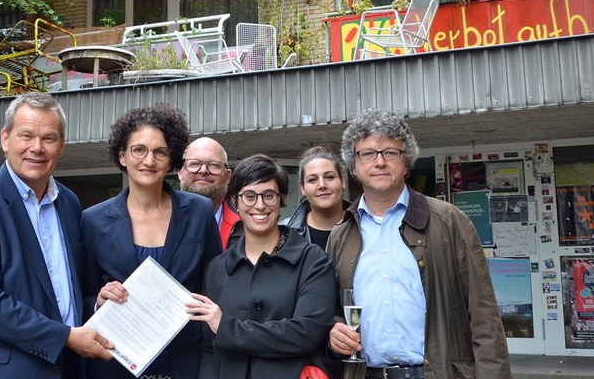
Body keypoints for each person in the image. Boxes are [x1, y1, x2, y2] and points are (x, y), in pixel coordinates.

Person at [327, 109, 511, 379]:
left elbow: (484, 315)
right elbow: (330, 310)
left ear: (407, 162)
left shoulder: (449, 221)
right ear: (353, 167)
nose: (379, 162)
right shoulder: (340, 235)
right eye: (367, 153)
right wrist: (333, 330)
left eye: (390, 152)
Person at [0, 92, 113, 378]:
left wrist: (97, 303)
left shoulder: (69, 203)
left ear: (62, 146)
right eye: (26, 136)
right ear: (5, 139)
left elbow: (66, 293)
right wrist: (64, 337)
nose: (37, 148)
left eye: (48, 138)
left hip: (68, 367)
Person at [83, 105, 222, 379]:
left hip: (186, 362)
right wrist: (98, 302)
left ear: (172, 161)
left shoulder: (199, 211)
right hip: (116, 363)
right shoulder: (92, 220)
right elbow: (83, 293)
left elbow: (215, 285)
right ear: (122, 155)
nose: (149, 161)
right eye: (139, 150)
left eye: (160, 152)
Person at [188, 154, 336, 379]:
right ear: (235, 201)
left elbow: (306, 333)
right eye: (249, 196)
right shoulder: (217, 269)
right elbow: (209, 350)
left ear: (281, 199)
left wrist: (227, 328)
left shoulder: (312, 261)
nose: (260, 205)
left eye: (269, 195)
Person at [282, 146, 351, 250]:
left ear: (343, 181)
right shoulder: (283, 233)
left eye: (329, 177)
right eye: (312, 180)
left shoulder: (364, 227)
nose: (322, 185)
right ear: (302, 188)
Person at [178, 137, 238, 248]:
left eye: (214, 165)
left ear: (228, 176)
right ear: (180, 172)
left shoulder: (245, 227)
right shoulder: (156, 221)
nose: (203, 170)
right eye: (194, 164)